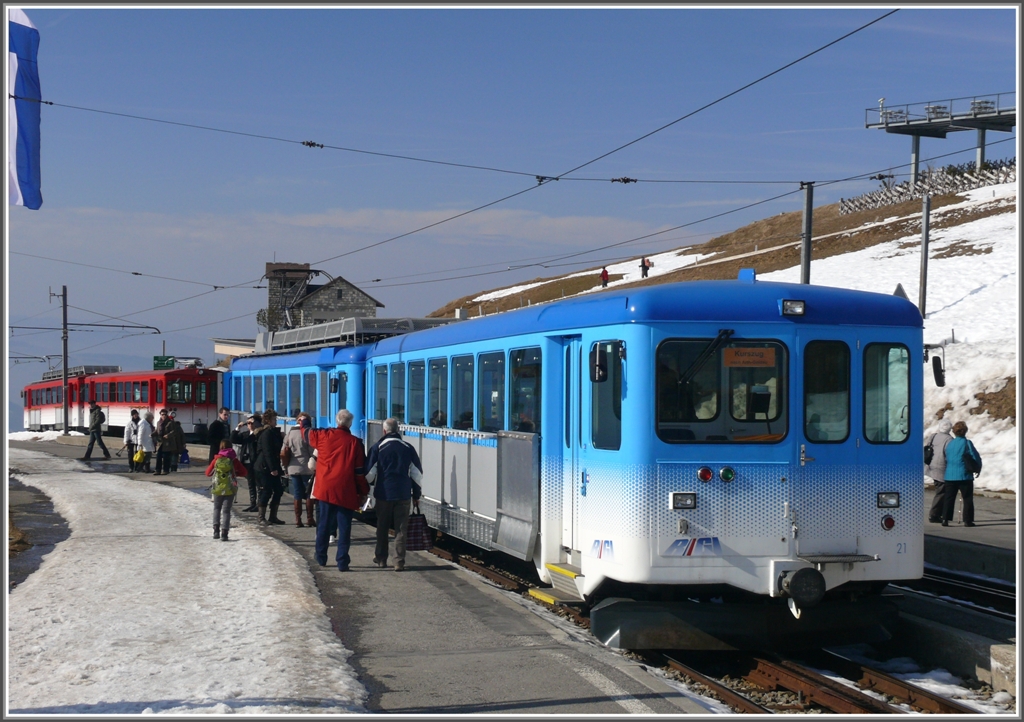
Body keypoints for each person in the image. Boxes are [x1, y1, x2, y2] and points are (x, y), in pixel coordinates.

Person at [309, 409, 369, 572]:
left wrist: (305, 424)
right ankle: (342, 561)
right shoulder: (355, 443)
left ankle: (321, 556)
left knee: (324, 524)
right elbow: (359, 472)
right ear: (350, 423)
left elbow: (309, 434)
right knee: (344, 528)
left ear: (336, 421)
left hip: (325, 489)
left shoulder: (324, 436)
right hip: (345, 490)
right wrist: (364, 491)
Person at [365, 418, 423, 571]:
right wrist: (416, 494)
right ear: (398, 430)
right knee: (401, 529)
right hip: (403, 493)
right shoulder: (408, 448)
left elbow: (369, 474)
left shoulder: (377, 448)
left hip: (384, 493)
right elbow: (417, 474)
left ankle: (381, 558)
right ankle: (398, 561)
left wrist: (368, 491)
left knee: (382, 527)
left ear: (384, 431)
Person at [941, 421, 983, 527]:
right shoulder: (967, 443)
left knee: (949, 498)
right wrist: (977, 468)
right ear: (965, 431)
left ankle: (945, 519)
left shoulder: (950, 444)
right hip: (964, 475)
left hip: (950, 475)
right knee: (967, 498)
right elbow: (975, 456)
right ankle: (967, 520)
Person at [205, 440, 247, 541]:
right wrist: (234, 473)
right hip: (230, 488)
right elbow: (244, 472)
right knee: (226, 511)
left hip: (218, 488)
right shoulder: (234, 460)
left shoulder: (216, 459)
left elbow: (207, 473)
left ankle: (216, 531)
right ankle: (224, 533)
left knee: (217, 508)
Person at [283, 412, 316, 527]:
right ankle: (310, 518)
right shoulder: (307, 433)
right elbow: (313, 452)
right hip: (307, 467)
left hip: (292, 467)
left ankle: (298, 519)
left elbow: (283, 452)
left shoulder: (289, 434)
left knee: (297, 493)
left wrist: (284, 467)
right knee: (308, 494)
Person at [253, 410, 286, 525]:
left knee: (278, 490)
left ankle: (273, 516)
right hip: (264, 467)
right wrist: (272, 468)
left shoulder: (273, 433)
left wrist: (282, 437)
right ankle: (261, 517)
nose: (275, 421)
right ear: (268, 420)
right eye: (274, 419)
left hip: (272, 465)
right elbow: (267, 452)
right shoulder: (266, 433)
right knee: (266, 491)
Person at [231, 413, 263, 512]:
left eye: (251, 423)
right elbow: (233, 439)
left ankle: (259, 504)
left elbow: (254, 439)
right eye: (248, 423)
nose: (249, 425)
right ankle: (252, 503)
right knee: (250, 483)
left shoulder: (259, 434)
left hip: (256, 462)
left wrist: (256, 427)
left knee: (258, 484)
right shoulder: (245, 435)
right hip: (247, 462)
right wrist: (238, 428)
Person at [925, 420, 954, 523]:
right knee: (941, 492)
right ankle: (934, 515)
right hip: (941, 468)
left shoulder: (933, 436)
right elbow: (949, 455)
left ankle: (937, 513)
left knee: (940, 490)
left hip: (931, 466)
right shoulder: (949, 440)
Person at [153, 409, 174, 475]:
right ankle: (157, 470)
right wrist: (152, 434)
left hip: (167, 442)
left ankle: (166, 470)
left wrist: (168, 435)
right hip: (160, 442)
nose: (164, 416)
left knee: (166, 457)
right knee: (158, 456)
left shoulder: (170, 422)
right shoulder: (158, 422)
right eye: (162, 414)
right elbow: (157, 430)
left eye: (165, 414)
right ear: (160, 415)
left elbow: (173, 431)